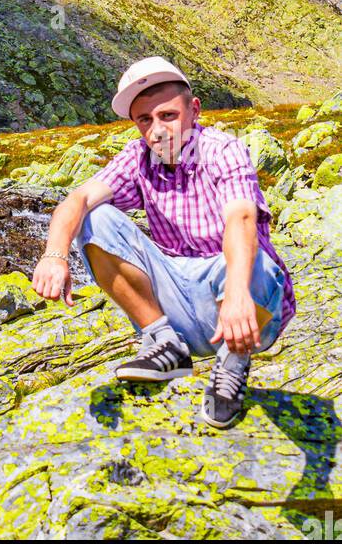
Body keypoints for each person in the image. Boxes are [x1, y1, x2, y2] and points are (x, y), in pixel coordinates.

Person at [31, 56, 296, 429]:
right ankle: (165, 343)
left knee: (258, 264)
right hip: (178, 295)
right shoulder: (138, 159)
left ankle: (232, 366)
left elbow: (242, 218)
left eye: (168, 115)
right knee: (96, 217)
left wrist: (237, 294)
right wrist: (54, 256)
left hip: (246, 310)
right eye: (145, 120)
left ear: (194, 110)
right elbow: (77, 200)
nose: (157, 130)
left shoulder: (223, 151)